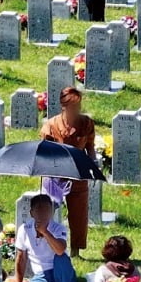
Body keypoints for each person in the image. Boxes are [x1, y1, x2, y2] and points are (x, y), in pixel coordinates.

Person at [40, 86, 96, 258]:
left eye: (78, 105)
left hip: (78, 173)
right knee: (47, 209)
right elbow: (43, 152)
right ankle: (47, 245)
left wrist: (93, 165)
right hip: (55, 173)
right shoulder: (51, 126)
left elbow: (90, 148)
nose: (76, 109)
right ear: (63, 106)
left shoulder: (86, 123)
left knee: (79, 213)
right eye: (72, 106)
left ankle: (76, 250)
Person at [16, 194, 78, 282]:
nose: (43, 214)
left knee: (61, 257)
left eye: (46, 210)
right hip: (42, 274)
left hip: (61, 271)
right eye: (39, 210)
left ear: (52, 212)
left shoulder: (58, 228)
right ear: (32, 213)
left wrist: (45, 232)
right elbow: (21, 257)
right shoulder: (24, 229)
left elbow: (60, 250)